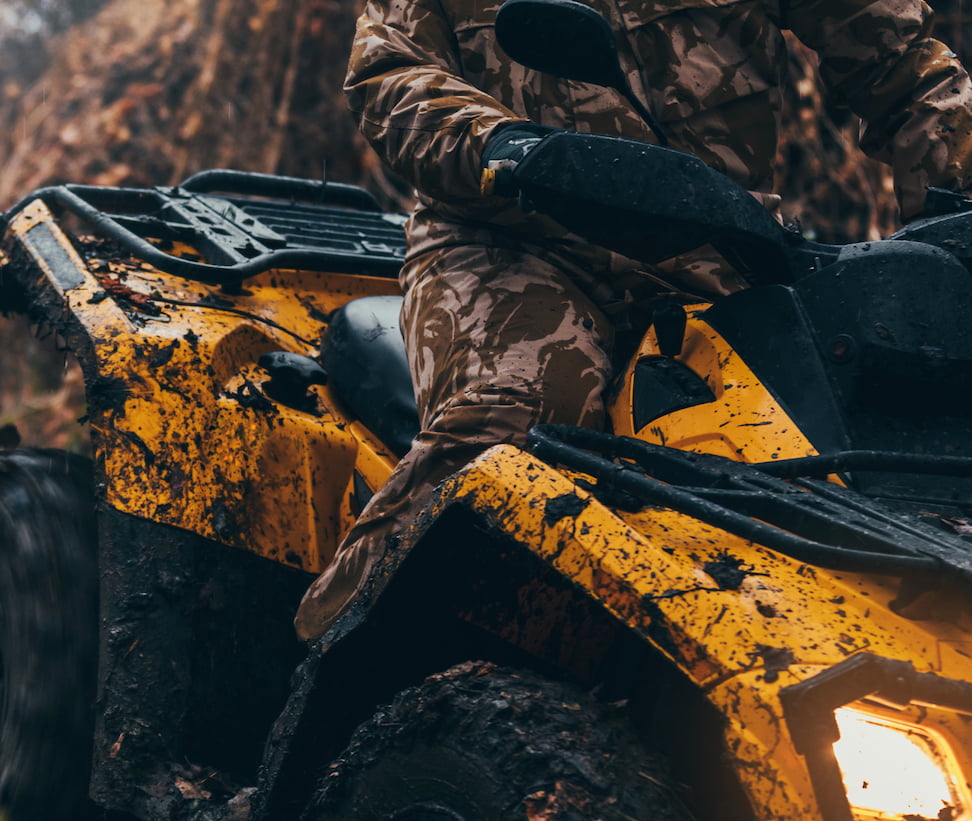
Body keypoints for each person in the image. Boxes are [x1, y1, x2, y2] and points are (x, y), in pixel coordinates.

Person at [294, 0, 972, 642]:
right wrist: (504, 146)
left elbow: (901, 63)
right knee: (519, 427)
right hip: (512, 237)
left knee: (835, 463)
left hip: (720, 242)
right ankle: (337, 681)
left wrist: (958, 201)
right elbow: (389, 75)